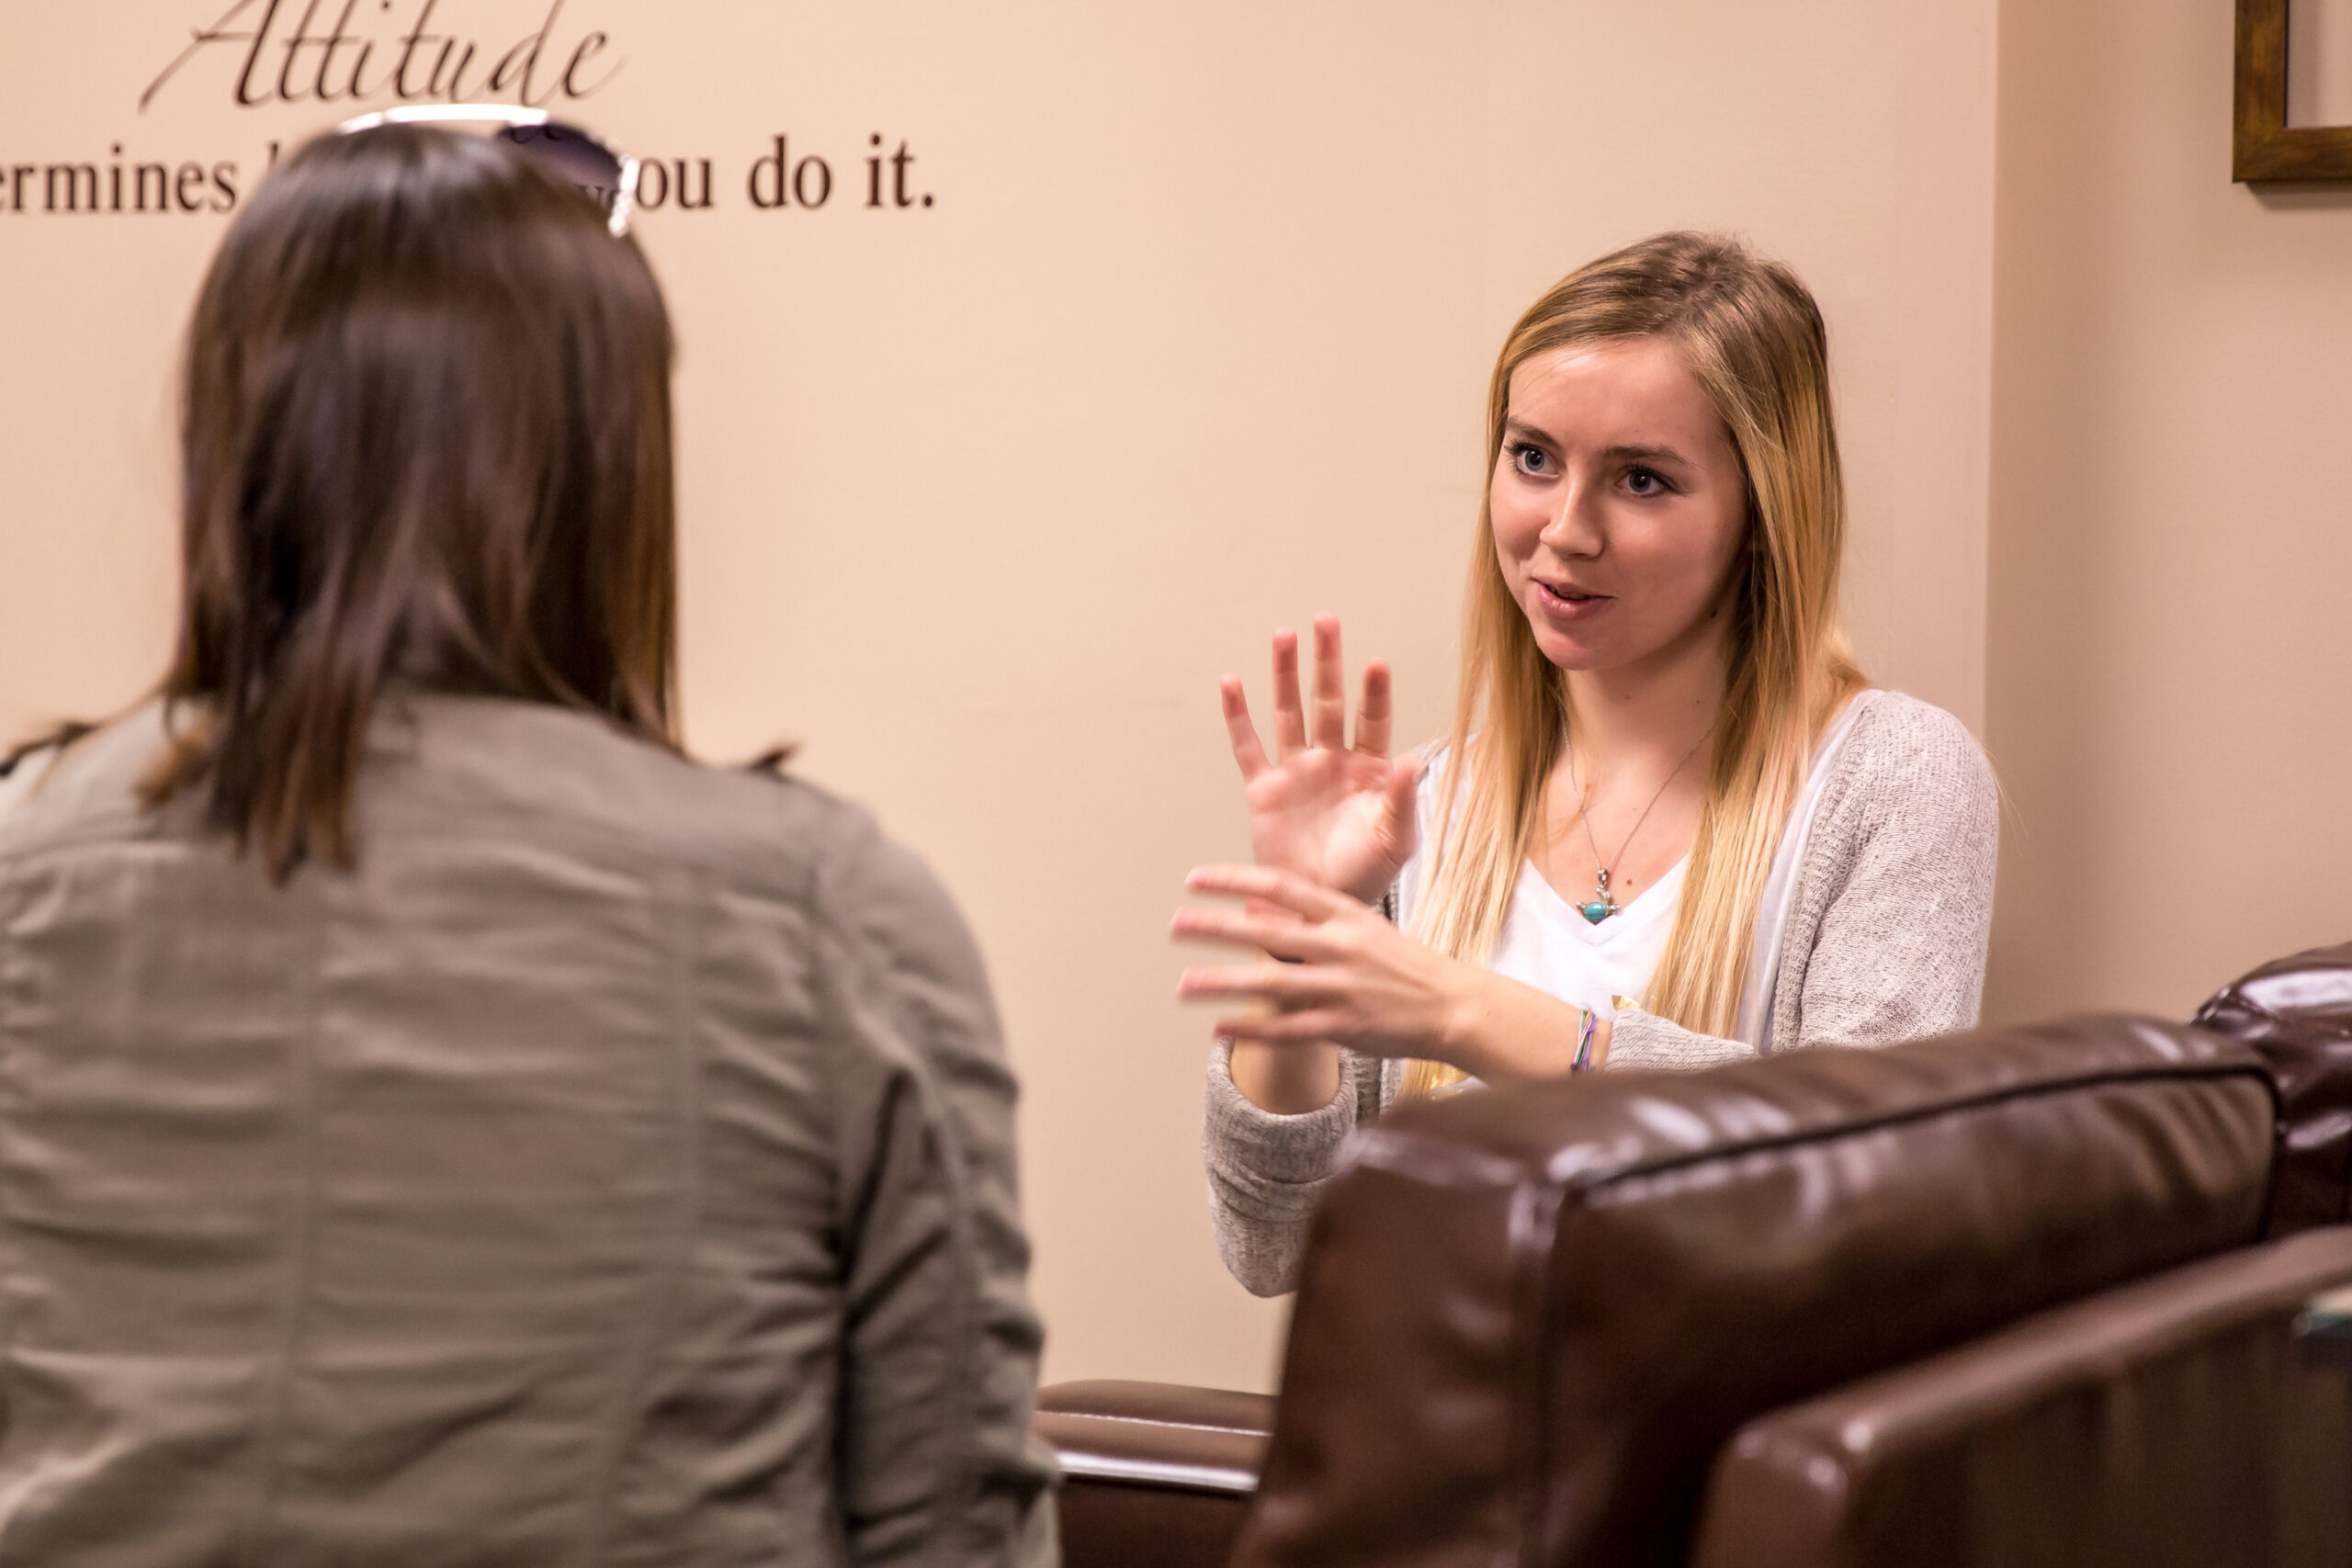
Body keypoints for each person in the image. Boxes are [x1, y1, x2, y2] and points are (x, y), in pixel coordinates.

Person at [0, 123, 1054, 1564]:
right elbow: (955, 1527)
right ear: (610, 466)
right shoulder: (833, 923)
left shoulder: (22, 865)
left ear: (231, 440)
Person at [1176, 231, 1999, 1296]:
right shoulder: (1418, 809)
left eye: (1641, 480)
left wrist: (1466, 1014)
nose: (1564, 531)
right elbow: (1276, 1249)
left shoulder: (1894, 776)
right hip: (1442, 1393)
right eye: (1532, 458)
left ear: (1761, 517)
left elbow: (1870, 1180)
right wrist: (1302, 953)